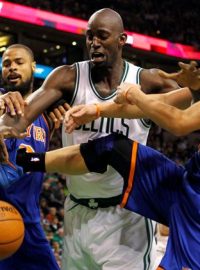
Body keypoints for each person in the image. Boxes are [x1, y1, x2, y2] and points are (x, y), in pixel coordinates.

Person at [0, 9, 192, 270]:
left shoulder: (146, 82)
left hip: (127, 217)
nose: (94, 43)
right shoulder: (67, 77)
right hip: (78, 214)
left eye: (102, 36)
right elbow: (20, 118)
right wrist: (4, 118)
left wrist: (194, 86)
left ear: (122, 39)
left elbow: (190, 109)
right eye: (90, 37)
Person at [12, 132, 200, 270]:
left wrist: (133, 99)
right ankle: (26, 161)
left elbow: (180, 121)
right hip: (187, 185)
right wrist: (28, 161)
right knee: (113, 147)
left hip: (132, 220)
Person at [0, 44, 60, 270]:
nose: (12, 68)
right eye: (6, 64)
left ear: (34, 67)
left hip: (28, 223)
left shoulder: (47, 113)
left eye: (18, 62)